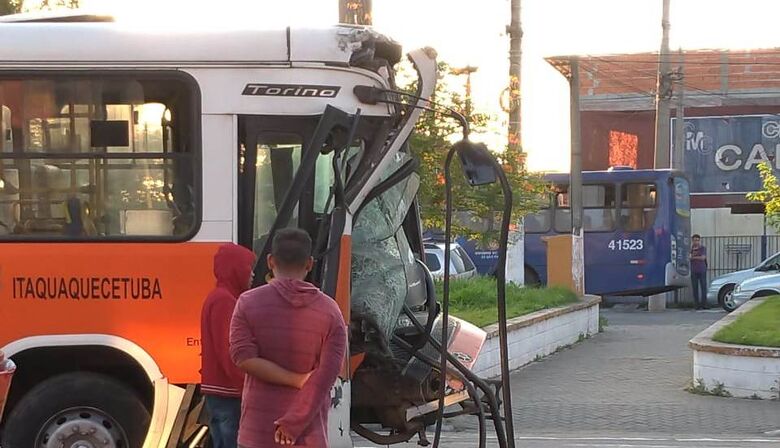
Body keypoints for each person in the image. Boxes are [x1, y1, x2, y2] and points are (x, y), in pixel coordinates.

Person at [230, 228, 347, 448]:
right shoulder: (330, 312)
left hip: (256, 433)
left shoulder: (247, 303)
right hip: (308, 436)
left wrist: (294, 379)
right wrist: (293, 422)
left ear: (270, 261)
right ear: (310, 264)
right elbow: (327, 375)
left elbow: (242, 358)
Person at [200, 243, 257, 448]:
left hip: (222, 391)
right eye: (248, 267)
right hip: (228, 391)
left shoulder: (221, 297)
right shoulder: (225, 301)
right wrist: (247, 385)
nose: (252, 274)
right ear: (236, 269)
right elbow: (229, 352)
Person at [690, 234, 708, 310]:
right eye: (694, 240)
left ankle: (704, 304)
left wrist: (693, 257)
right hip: (694, 270)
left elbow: (703, 258)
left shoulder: (702, 248)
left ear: (699, 240)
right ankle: (696, 305)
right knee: (695, 288)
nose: (696, 242)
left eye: (697, 240)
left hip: (702, 270)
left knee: (703, 287)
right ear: (692, 241)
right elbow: (688, 257)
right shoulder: (691, 249)